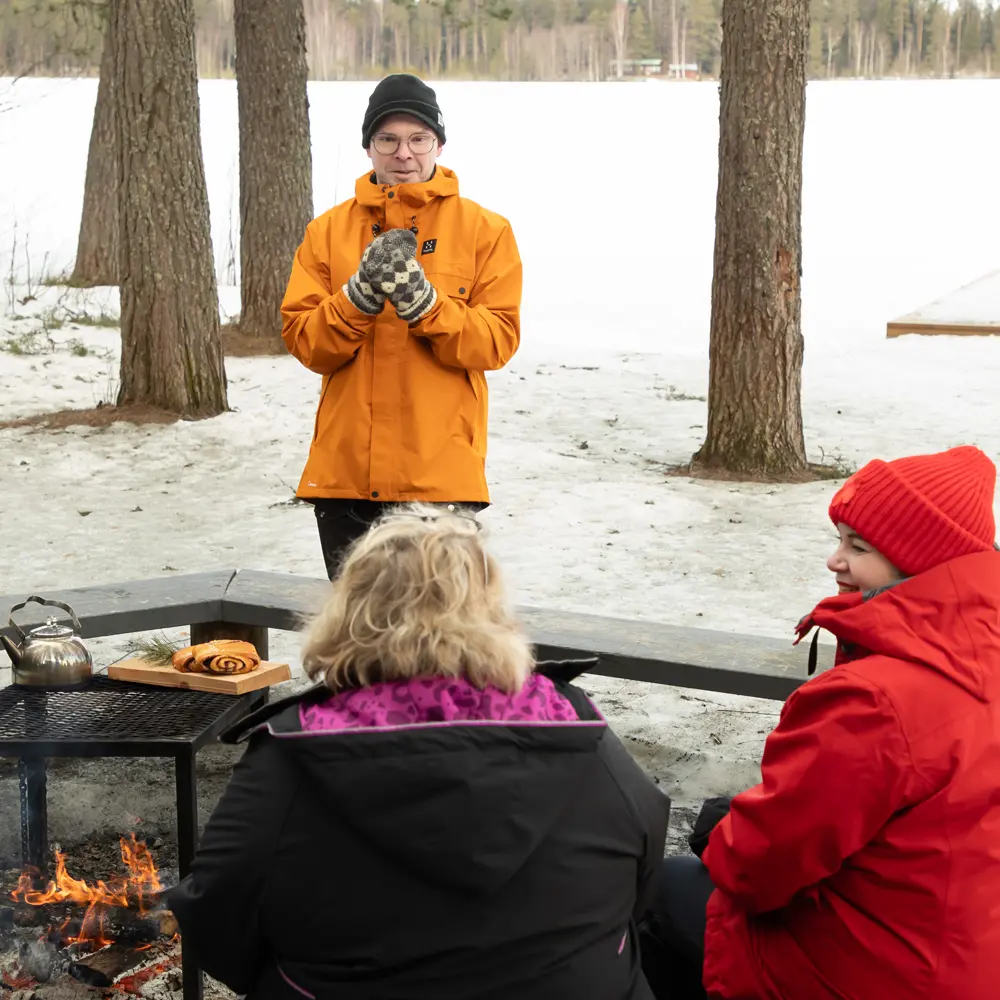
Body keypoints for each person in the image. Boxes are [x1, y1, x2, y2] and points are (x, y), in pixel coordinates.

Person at [167, 504, 670, 1000]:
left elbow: (215, 915)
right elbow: (640, 880)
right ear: (494, 615)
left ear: (349, 613)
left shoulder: (291, 754)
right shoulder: (577, 730)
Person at [644, 445, 1000, 1000]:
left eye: (857, 547)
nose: (835, 560)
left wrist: (724, 839)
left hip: (878, 972)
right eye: (839, 539)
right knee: (720, 822)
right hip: (964, 945)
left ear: (919, 564)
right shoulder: (979, 652)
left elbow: (758, 872)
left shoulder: (876, 701)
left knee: (662, 887)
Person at [281, 73, 521, 580]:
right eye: (387, 139)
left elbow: (496, 341)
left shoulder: (485, 231)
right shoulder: (325, 233)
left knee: (437, 643)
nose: (403, 154)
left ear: (438, 144)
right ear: (369, 147)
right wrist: (357, 299)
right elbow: (307, 343)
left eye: (418, 139)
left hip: (440, 483)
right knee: (357, 644)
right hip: (346, 481)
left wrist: (426, 306)